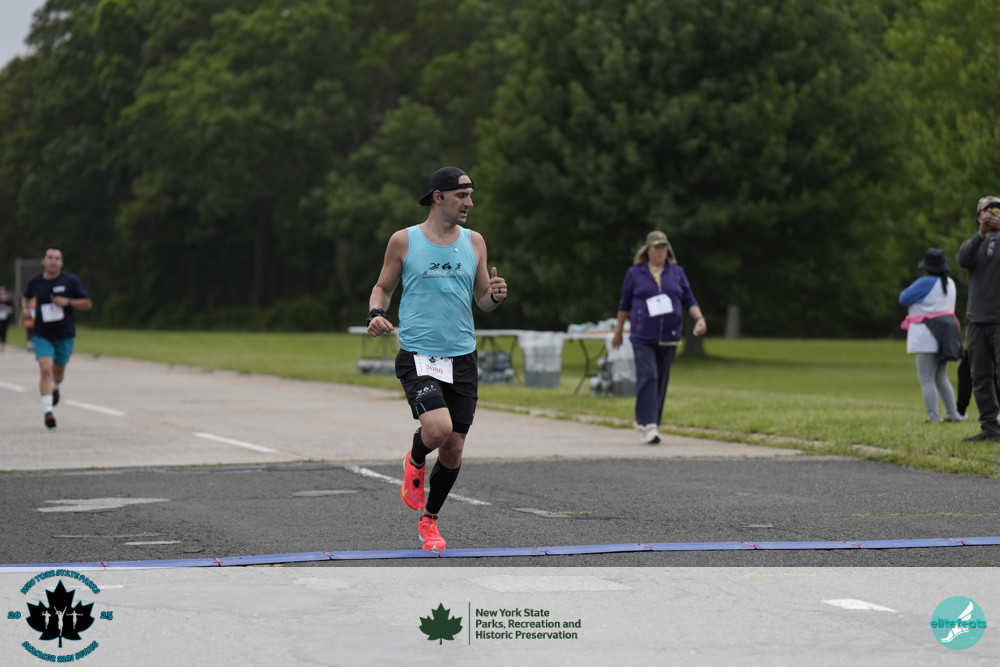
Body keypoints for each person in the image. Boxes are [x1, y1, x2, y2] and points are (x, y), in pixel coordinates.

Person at [366, 166, 508, 550]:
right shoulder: (404, 241)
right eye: (462, 195)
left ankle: (430, 521)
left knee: (454, 449)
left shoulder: (475, 242)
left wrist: (494, 296)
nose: (470, 203)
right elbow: (382, 287)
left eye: (471, 195)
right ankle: (415, 461)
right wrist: (376, 313)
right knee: (437, 429)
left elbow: (482, 300)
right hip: (419, 353)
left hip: (462, 356)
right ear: (438, 197)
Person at [611, 230, 705, 444]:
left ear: (668, 250)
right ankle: (649, 425)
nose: (660, 252)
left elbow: (689, 299)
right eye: (656, 248)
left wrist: (699, 318)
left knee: (661, 380)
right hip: (642, 336)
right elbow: (624, 304)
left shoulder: (677, 273)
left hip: (669, 336)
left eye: (663, 248)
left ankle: (653, 422)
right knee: (649, 375)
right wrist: (619, 331)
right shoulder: (635, 273)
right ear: (648, 250)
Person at [21, 247, 92, 429]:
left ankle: (55, 387)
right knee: (46, 369)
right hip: (41, 333)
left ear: (61, 262)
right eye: (50, 257)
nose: (53, 261)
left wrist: (68, 301)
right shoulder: (34, 282)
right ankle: (48, 412)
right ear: (43, 261)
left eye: (57, 258)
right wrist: (26, 310)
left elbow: (87, 303)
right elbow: (26, 297)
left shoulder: (70, 281)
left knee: (58, 373)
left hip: (64, 334)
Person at [898, 248, 964, 423]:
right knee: (941, 377)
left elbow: (903, 298)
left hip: (926, 335)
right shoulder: (950, 282)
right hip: (946, 335)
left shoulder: (925, 282)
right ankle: (952, 414)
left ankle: (933, 417)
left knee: (926, 378)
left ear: (926, 267)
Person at [956, 195, 1000, 441]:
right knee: (980, 377)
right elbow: (962, 260)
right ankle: (989, 428)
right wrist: (981, 234)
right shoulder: (973, 245)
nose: (991, 214)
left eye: (996, 211)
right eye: (987, 211)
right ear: (978, 217)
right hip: (976, 321)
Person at [0, 286, 14, 352]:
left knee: (4, 332)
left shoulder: (9, 302)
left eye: (3, 293)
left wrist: (5, 309)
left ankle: (3, 345)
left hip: (5, 320)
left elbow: (12, 310)